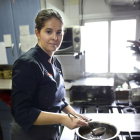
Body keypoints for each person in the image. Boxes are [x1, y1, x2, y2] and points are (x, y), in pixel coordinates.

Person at [11, 9, 89, 140]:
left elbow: (59, 101)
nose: (55, 37)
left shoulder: (56, 62)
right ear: (38, 33)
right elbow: (21, 112)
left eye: (59, 32)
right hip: (29, 135)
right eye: (49, 32)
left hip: (50, 132)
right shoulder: (27, 64)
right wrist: (63, 119)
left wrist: (75, 115)